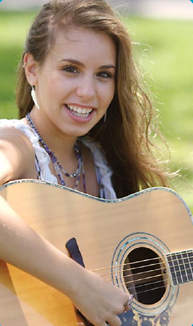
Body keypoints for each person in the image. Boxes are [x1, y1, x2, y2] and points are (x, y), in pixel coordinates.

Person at [0, 0, 171, 325]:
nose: (88, 91)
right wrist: (80, 286)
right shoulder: (16, 144)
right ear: (33, 69)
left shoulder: (100, 162)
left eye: (104, 75)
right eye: (70, 69)